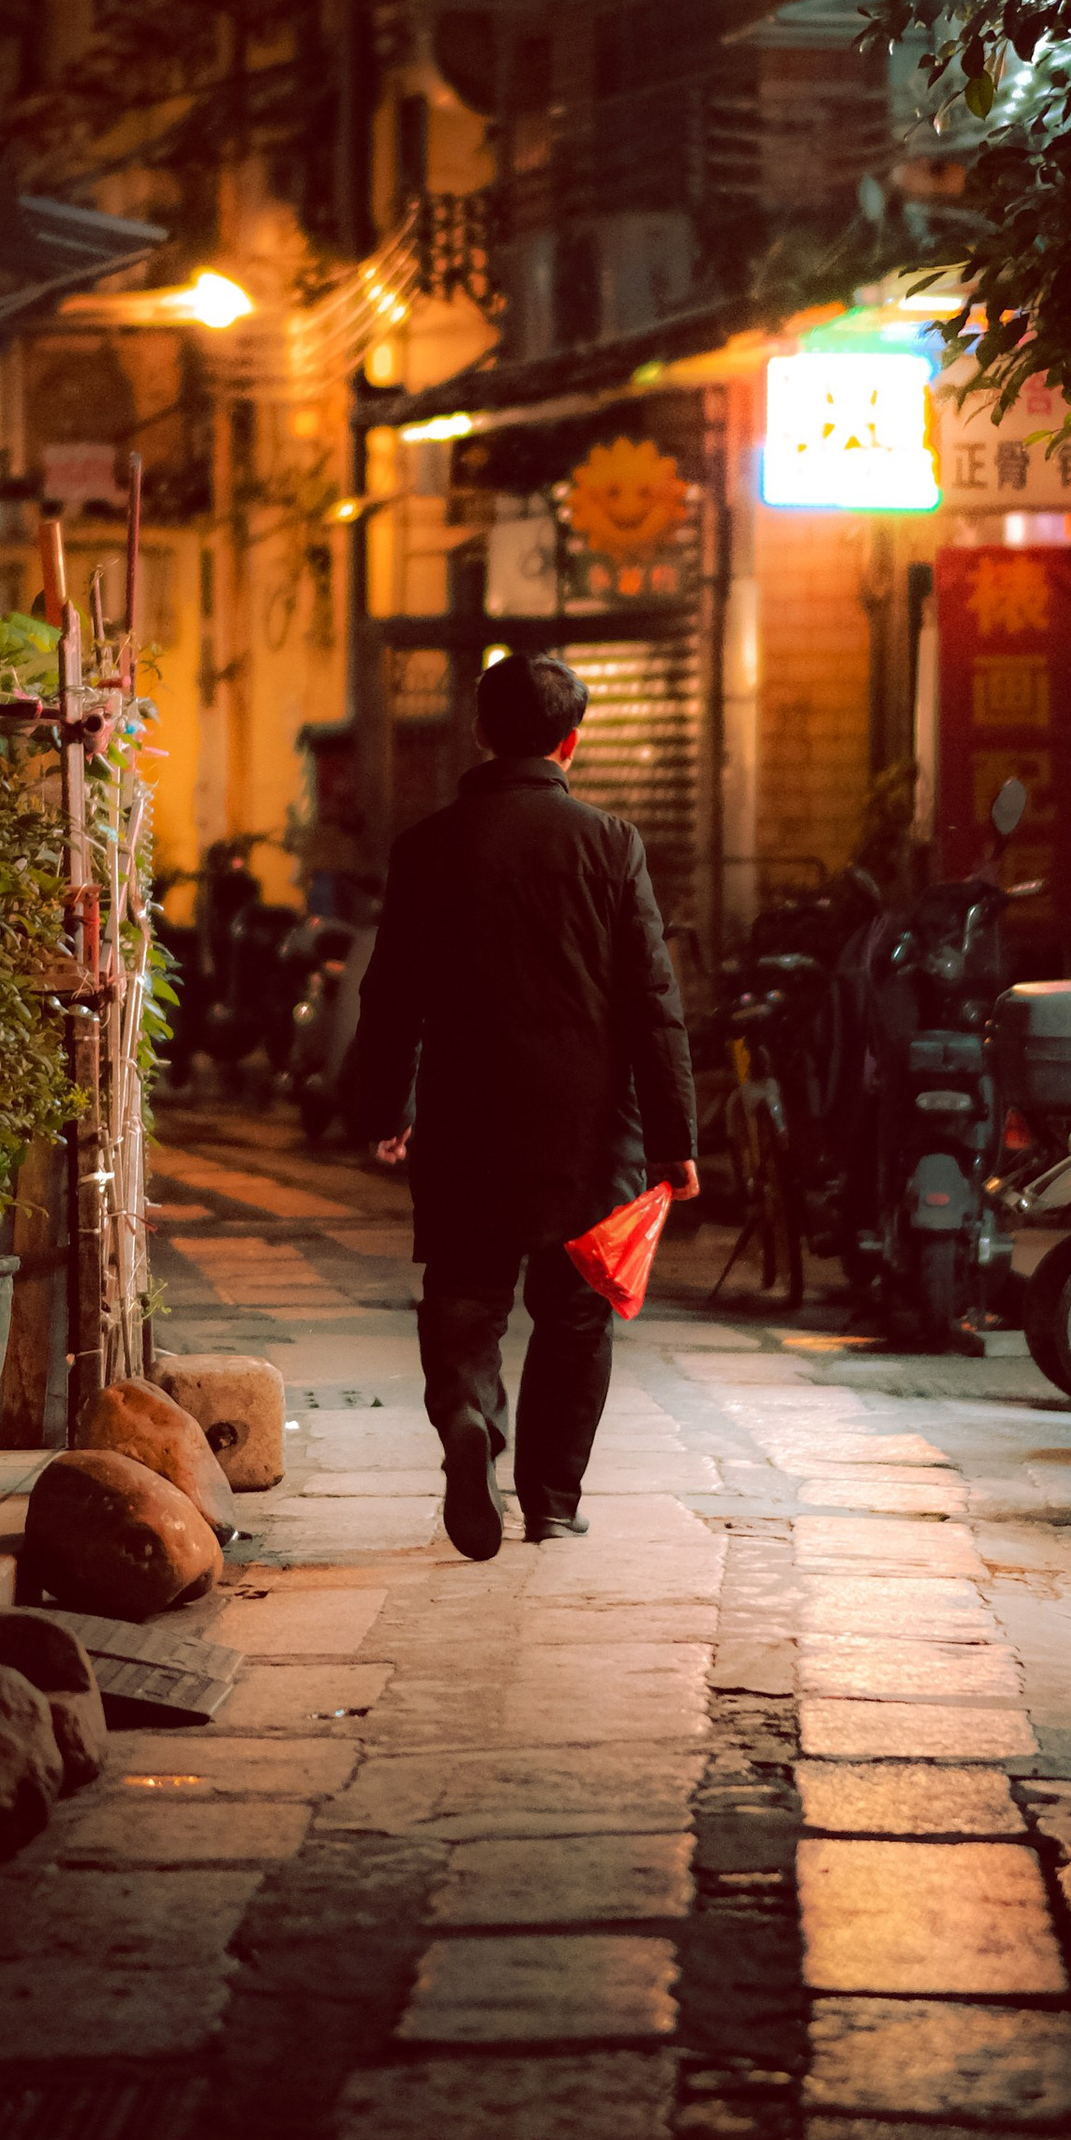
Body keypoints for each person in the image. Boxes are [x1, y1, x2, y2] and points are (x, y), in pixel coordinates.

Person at [345, 649, 699, 1559]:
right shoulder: (612, 844)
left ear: (479, 732)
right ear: (571, 742)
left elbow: (391, 996)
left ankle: (470, 1415)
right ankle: (548, 1497)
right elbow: (650, 1000)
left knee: (464, 1298)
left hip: (466, 1120)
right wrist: (675, 1137)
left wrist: (383, 1108)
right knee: (577, 1312)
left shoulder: (428, 847)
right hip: (589, 1131)